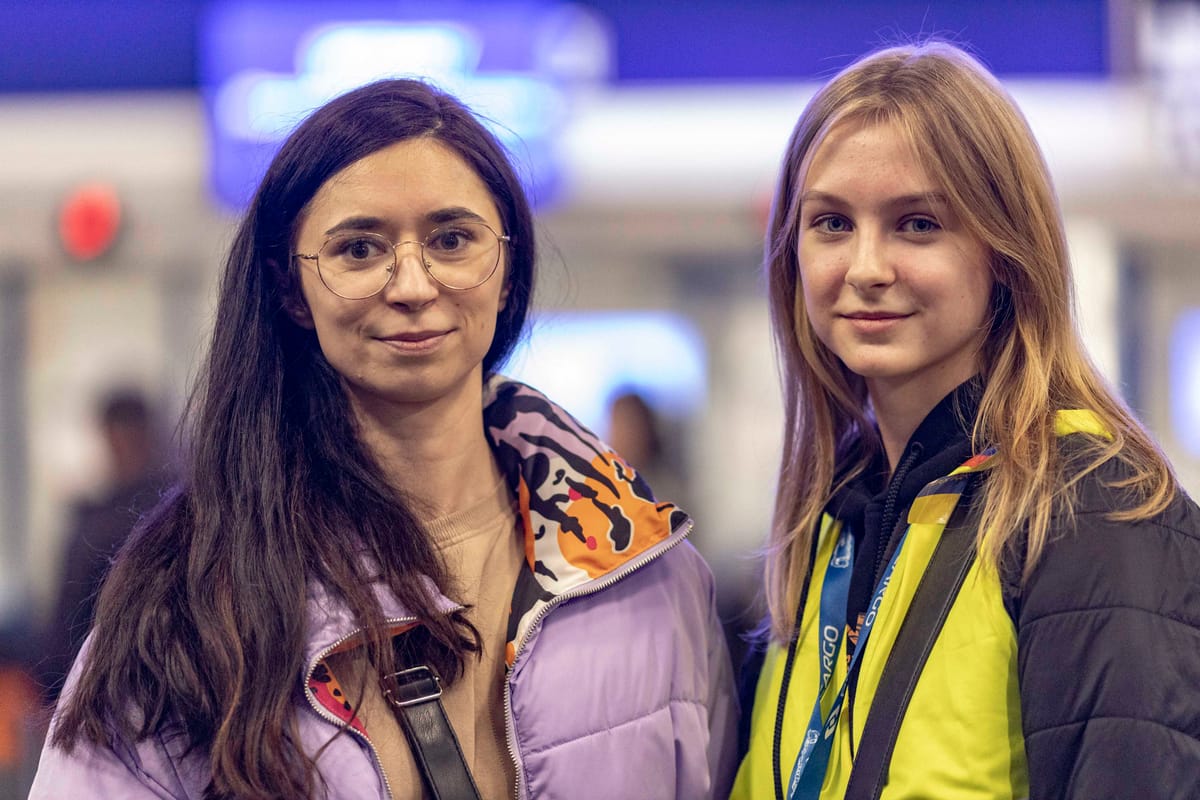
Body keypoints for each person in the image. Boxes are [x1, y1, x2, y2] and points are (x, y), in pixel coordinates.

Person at [31, 79, 737, 799]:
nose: (411, 284)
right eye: (360, 248)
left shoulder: (644, 571)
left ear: (507, 265)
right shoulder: (189, 599)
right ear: (289, 289)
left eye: (452, 239)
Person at [733, 41, 1200, 799]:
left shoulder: (1092, 507)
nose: (866, 268)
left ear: (1006, 252)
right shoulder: (836, 521)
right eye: (831, 224)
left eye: (917, 224)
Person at [39, 388, 167, 704]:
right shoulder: (171, 508)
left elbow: (61, 631)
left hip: (118, 681)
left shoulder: (96, 524)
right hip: (114, 680)